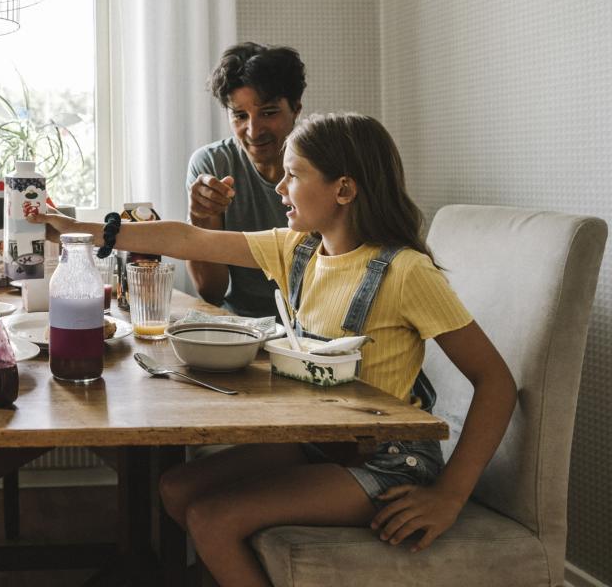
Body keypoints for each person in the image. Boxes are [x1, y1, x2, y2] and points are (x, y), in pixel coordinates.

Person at [31, 113, 517, 586]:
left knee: (213, 519)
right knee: (175, 488)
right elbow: (188, 237)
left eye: (293, 176)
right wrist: (78, 231)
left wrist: (451, 494)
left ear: (343, 190)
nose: (279, 189)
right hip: (315, 442)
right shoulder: (298, 248)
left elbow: (496, 381)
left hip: (383, 460)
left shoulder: (406, 272)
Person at [186, 43, 305, 317]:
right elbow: (211, 291)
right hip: (240, 326)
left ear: (296, 108)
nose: (253, 130)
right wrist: (201, 218)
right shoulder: (213, 165)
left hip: (312, 327)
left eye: (269, 112)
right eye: (240, 116)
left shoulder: (324, 162)